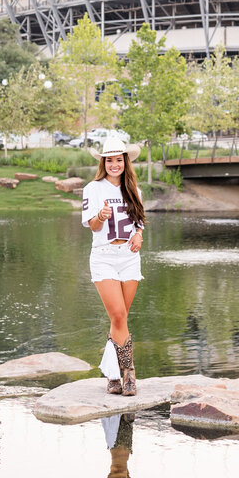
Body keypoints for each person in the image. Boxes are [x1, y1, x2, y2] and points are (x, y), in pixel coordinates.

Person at [82, 137, 145, 396]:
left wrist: (139, 236)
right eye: (110, 160)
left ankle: (112, 376)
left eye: (119, 159)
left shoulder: (134, 190)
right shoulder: (93, 189)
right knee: (118, 315)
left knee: (119, 320)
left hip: (129, 258)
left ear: (125, 161)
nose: (114, 164)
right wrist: (100, 216)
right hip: (104, 256)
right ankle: (129, 372)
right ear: (103, 162)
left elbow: (139, 223)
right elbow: (92, 226)